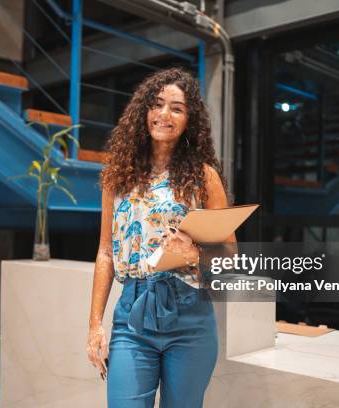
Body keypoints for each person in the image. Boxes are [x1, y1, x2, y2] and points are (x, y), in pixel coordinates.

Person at [87, 67, 236, 408]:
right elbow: (105, 253)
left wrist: (195, 255)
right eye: (157, 104)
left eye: (177, 108)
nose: (164, 114)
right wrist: (95, 325)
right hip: (132, 316)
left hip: (190, 315)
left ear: (189, 120)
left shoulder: (204, 176)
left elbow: (229, 252)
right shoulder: (118, 174)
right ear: (144, 111)